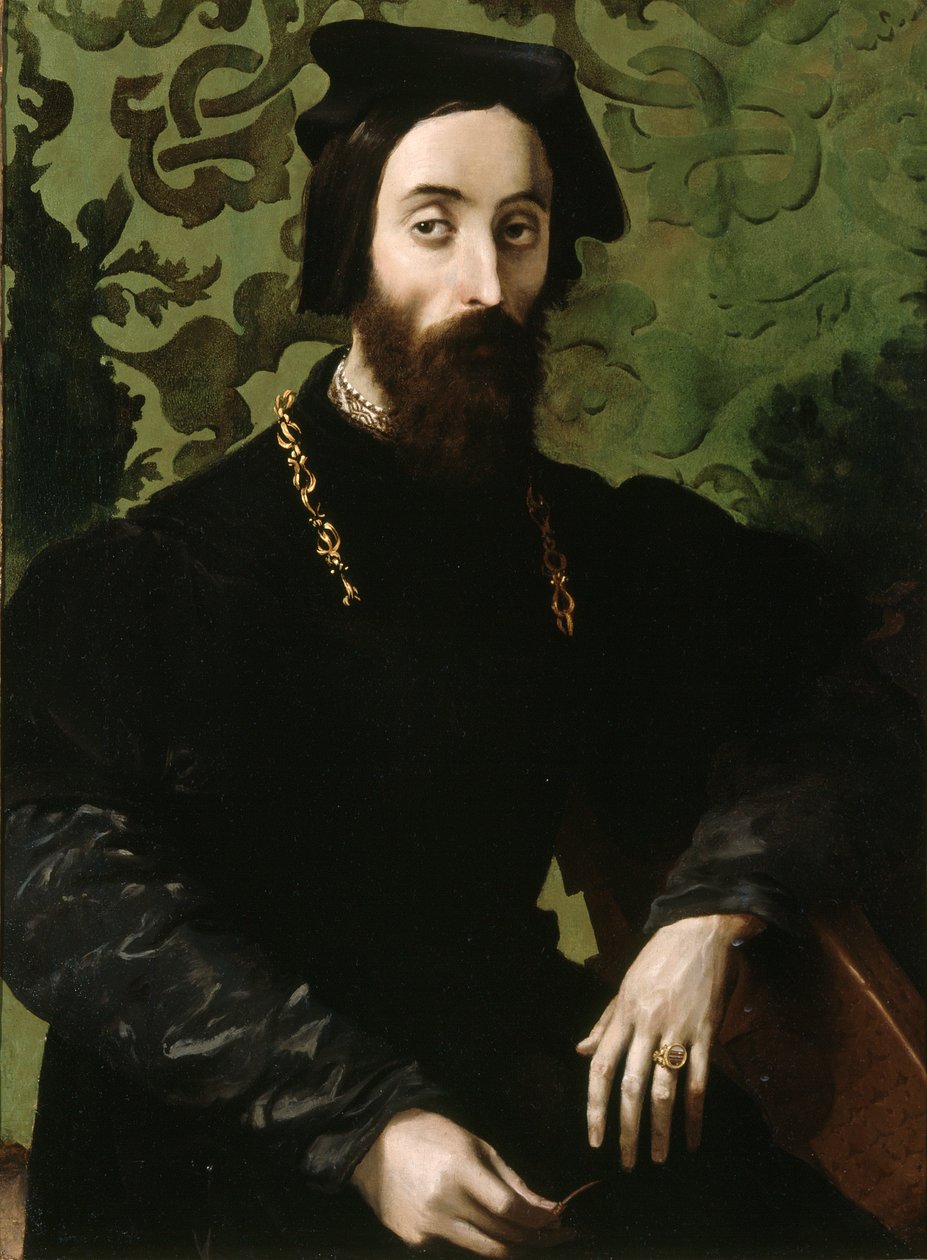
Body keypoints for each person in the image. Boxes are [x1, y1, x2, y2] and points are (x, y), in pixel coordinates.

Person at [3, 20, 921, 1260]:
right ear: (354, 250)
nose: (485, 282)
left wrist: (716, 908)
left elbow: (843, 692)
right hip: (222, 1117)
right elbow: (60, 900)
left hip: (496, 1053)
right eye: (433, 225)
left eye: (519, 229)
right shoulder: (162, 575)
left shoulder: (583, 540)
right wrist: (364, 1125)